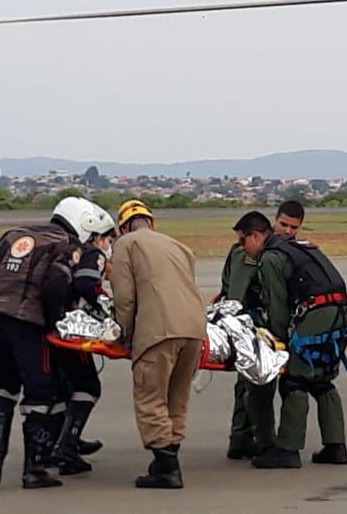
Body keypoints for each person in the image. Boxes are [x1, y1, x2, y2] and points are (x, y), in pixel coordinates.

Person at [0, 197, 99, 489]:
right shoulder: (67, 244)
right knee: (41, 393)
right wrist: (54, 322)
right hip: (28, 323)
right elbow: (56, 283)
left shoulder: (14, 235)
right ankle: (34, 469)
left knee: (3, 385)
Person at [234, 211, 347, 469]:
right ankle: (336, 447)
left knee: (294, 380)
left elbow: (277, 307)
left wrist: (278, 342)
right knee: (321, 380)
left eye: (243, 241)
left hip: (316, 315)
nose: (244, 249)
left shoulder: (270, 258)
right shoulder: (300, 247)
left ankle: (287, 450)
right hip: (342, 313)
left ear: (255, 236)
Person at [110, 199, 206, 489]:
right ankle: (168, 454)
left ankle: (166, 467)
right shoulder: (180, 247)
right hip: (194, 329)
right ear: (152, 222)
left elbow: (124, 297)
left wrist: (125, 335)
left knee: (150, 396)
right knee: (177, 396)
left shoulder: (126, 245)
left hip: (158, 330)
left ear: (124, 226)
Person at [219, 200, 307, 460]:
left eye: (294, 227)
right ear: (273, 222)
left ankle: (242, 438)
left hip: (263, 324)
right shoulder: (248, 253)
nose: (288, 231)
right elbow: (236, 294)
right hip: (254, 324)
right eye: (283, 224)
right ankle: (256, 440)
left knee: (248, 381)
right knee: (257, 383)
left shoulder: (280, 251)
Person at [48, 204, 117, 475]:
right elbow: (87, 285)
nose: (110, 246)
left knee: (63, 388)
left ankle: (66, 440)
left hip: (47, 326)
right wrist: (107, 312)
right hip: (67, 329)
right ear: (95, 234)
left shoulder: (61, 249)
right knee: (88, 384)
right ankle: (66, 444)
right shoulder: (92, 252)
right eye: (109, 239)